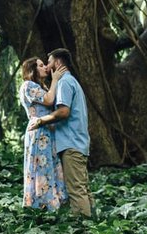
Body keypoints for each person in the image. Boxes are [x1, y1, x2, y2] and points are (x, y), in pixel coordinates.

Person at [28, 48, 94, 217]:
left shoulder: (64, 82)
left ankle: (84, 230)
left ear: (57, 63)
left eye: (48, 62)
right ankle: (94, 225)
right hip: (78, 142)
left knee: (76, 190)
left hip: (72, 143)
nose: (47, 67)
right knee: (82, 187)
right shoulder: (72, 81)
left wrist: (42, 120)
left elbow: (64, 112)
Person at [18, 57, 69, 211]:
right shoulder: (28, 85)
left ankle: (52, 204)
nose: (45, 67)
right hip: (38, 131)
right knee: (40, 167)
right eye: (41, 65)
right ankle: (41, 205)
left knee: (48, 166)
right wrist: (55, 79)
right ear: (33, 70)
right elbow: (48, 100)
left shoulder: (42, 86)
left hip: (47, 132)